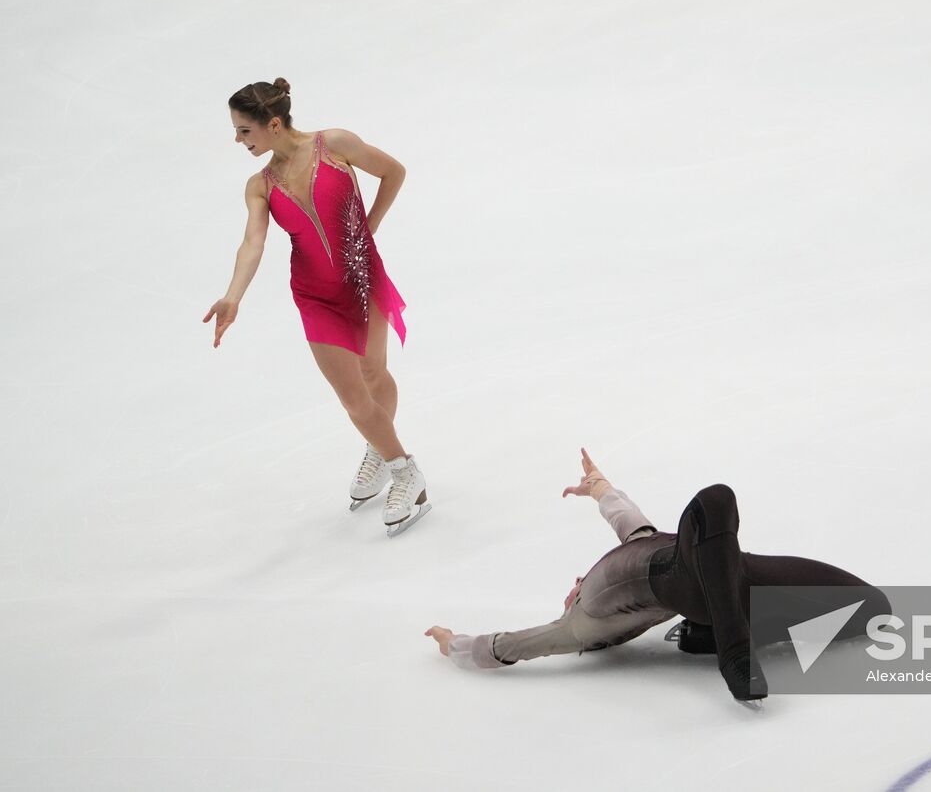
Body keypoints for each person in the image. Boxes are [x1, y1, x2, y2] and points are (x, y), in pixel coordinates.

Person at [425, 449, 889, 703]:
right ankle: (733, 649)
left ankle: (714, 634)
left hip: (727, 573)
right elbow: (512, 646)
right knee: (716, 500)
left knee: (872, 608)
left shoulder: (630, 549)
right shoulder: (579, 625)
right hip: (681, 577)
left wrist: (599, 486)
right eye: (572, 589)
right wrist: (455, 645)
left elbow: (626, 518)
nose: (574, 584)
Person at [205, 78, 428, 534]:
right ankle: (406, 471)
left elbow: (394, 171)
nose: (238, 140)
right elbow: (253, 242)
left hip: (361, 280)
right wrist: (233, 295)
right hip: (314, 296)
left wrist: (370, 227)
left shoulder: (336, 144)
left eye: (244, 131)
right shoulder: (260, 185)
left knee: (373, 376)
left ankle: (379, 445)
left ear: (272, 124)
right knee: (352, 397)